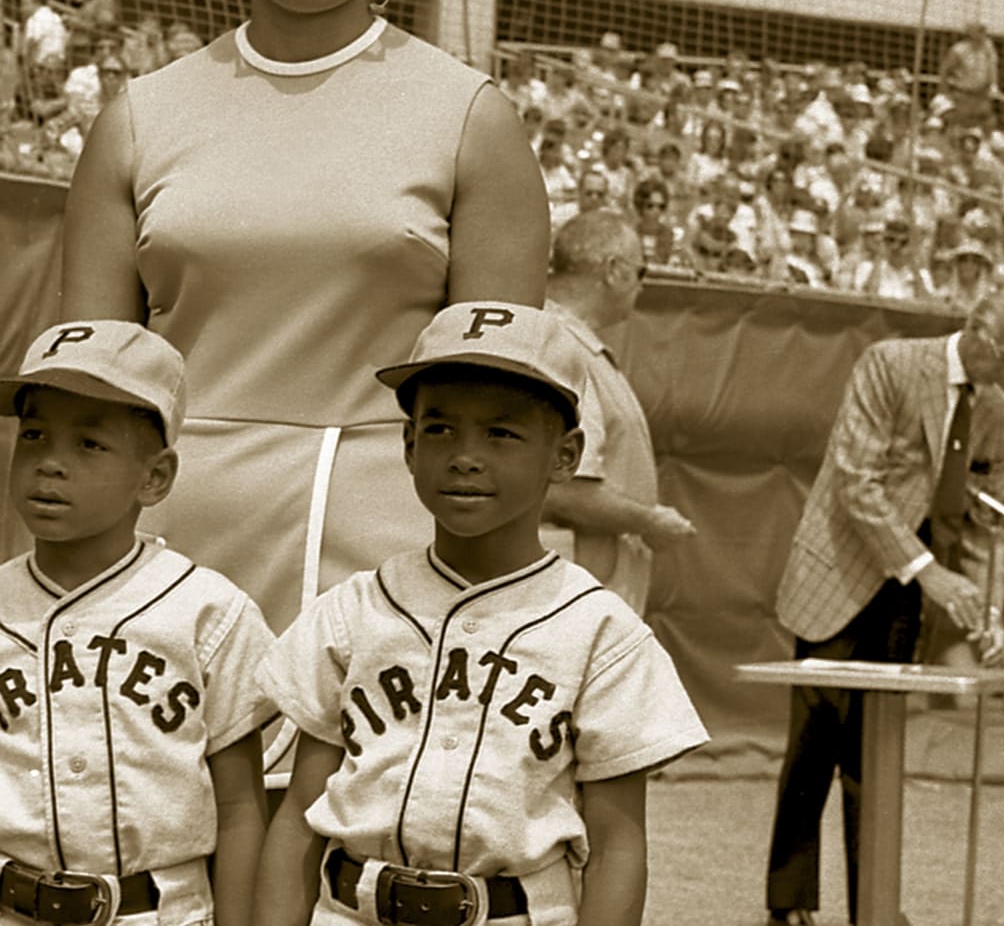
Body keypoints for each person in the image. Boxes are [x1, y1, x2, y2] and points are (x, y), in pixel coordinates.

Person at [61, 0, 548, 679]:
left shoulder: (472, 122)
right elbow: (86, 402)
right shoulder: (136, 120)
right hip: (172, 569)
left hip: (398, 579)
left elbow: (499, 411)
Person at [256, 302, 708, 926]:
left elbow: (618, 846)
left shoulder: (602, 634)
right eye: (440, 429)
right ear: (409, 446)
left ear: (565, 455)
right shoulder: (353, 612)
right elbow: (301, 814)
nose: (466, 456)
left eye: (502, 432)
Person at [0, 320, 275, 926]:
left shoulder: (207, 613)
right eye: (33, 435)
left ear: (155, 477)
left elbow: (242, 807)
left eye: (89, 444)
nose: (50, 464)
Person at [763, 284, 1004, 926]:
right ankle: (789, 901)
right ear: (975, 327)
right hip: (834, 577)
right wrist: (931, 574)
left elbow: (986, 525)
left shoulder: (1002, 417)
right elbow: (854, 483)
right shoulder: (890, 365)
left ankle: (875, 905)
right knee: (814, 744)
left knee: (877, 753)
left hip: (905, 597)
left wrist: (988, 615)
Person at [538, 211, 696, 615]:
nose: (642, 286)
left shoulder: (567, 342)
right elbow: (563, 489)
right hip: (572, 605)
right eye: (641, 271)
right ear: (614, 270)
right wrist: (649, 521)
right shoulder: (562, 345)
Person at [937, 21, 999, 131]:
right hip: (963, 94)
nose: (982, 34)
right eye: (979, 31)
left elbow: (992, 67)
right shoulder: (959, 49)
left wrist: (994, 84)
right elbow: (944, 70)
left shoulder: (988, 48)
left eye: (983, 31)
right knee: (961, 124)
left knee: (988, 122)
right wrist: (945, 92)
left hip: (982, 94)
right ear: (970, 33)